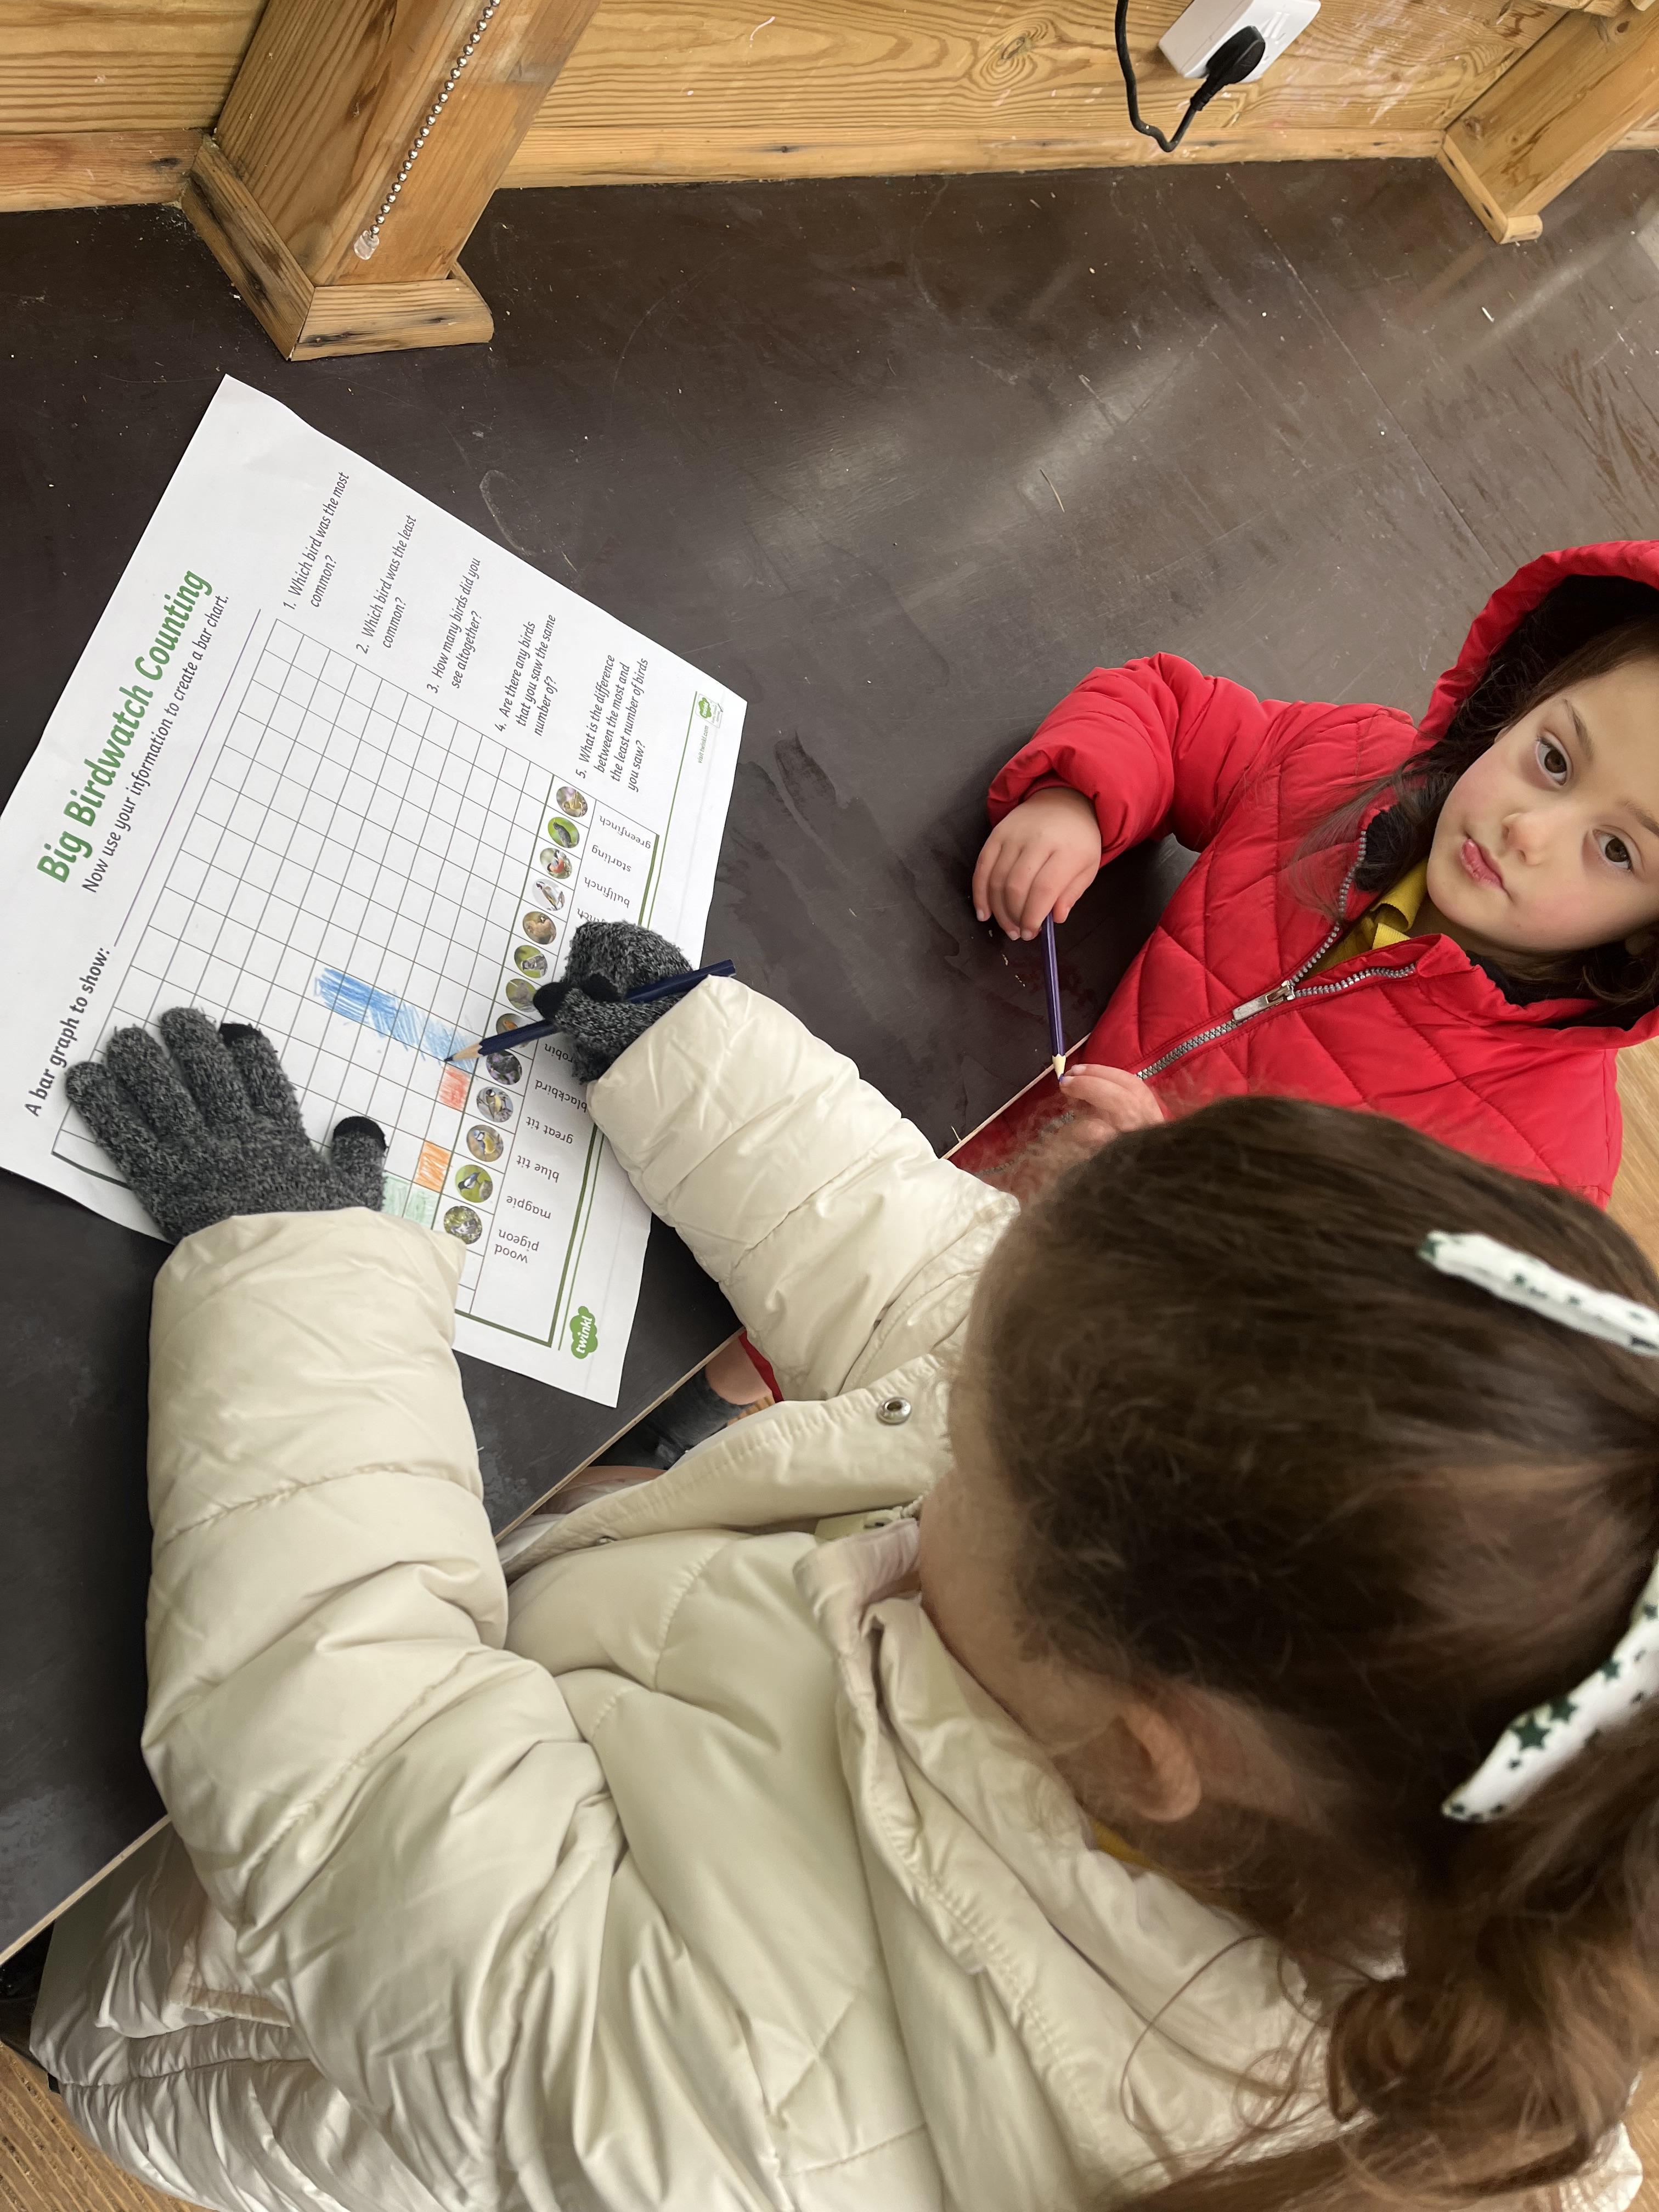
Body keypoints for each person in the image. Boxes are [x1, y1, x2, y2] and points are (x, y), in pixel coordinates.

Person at [29, 923, 1659, 2212]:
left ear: (1137, 1747)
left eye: (973, 1447)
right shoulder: (1325, 1679)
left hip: (253, 2000)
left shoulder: (759, 2116)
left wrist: (291, 1275)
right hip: (619, 1705)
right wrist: (693, 1063)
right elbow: (949, 1293)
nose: (951, 1402)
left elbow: (355, 1758)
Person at [975, 548, 1659, 1204]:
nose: (1528, 831)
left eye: (1617, 850)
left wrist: (1160, 1203)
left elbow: (1348, 1292)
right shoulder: (1349, 764)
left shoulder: (1542, 1173)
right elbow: (1172, 713)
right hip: (948, 1140)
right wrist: (1077, 798)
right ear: (1518, 707)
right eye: (1555, 760)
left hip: (1058, 1276)